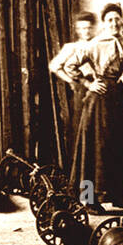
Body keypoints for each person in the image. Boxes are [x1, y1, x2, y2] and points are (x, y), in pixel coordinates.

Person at [56, 3, 123, 212]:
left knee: (118, 146)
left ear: (122, 21)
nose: (114, 23)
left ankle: (119, 197)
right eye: (110, 20)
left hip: (118, 100)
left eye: (118, 19)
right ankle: (90, 199)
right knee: (95, 150)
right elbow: (69, 65)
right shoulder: (95, 44)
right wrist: (88, 83)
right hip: (98, 100)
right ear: (104, 23)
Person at [48, 11, 97, 164]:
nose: (86, 32)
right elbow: (54, 66)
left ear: (94, 28)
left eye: (88, 28)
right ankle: (79, 168)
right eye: (82, 28)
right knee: (80, 127)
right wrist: (72, 81)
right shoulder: (72, 47)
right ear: (77, 30)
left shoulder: (99, 43)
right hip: (82, 90)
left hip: (99, 88)